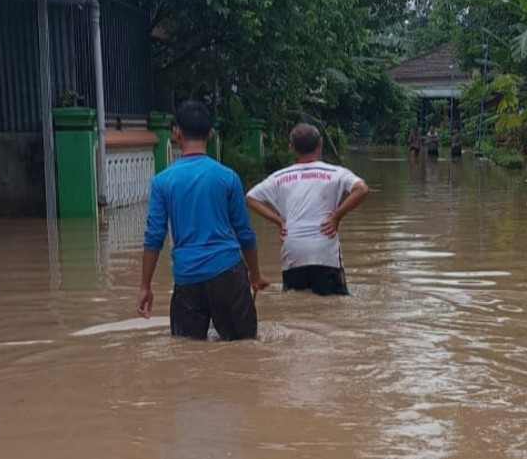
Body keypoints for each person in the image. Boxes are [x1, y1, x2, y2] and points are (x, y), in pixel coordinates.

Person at [137, 100, 269, 341]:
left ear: (176, 132)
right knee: (244, 349)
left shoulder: (162, 182)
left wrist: (145, 286)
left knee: (186, 354)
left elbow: (154, 237)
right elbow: (245, 232)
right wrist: (256, 274)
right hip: (228, 273)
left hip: (187, 279)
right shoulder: (228, 177)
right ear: (210, 133)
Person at [246, 123, 370, 296]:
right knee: (333, 306)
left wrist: (280, 222)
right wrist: (336, 217)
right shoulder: (336, 172)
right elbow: (362, 189)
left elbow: (251, 198)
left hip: (293, 249)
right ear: (320, 143)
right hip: (325, 251)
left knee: (295, 305)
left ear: (291, 148)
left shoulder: (279, 177)